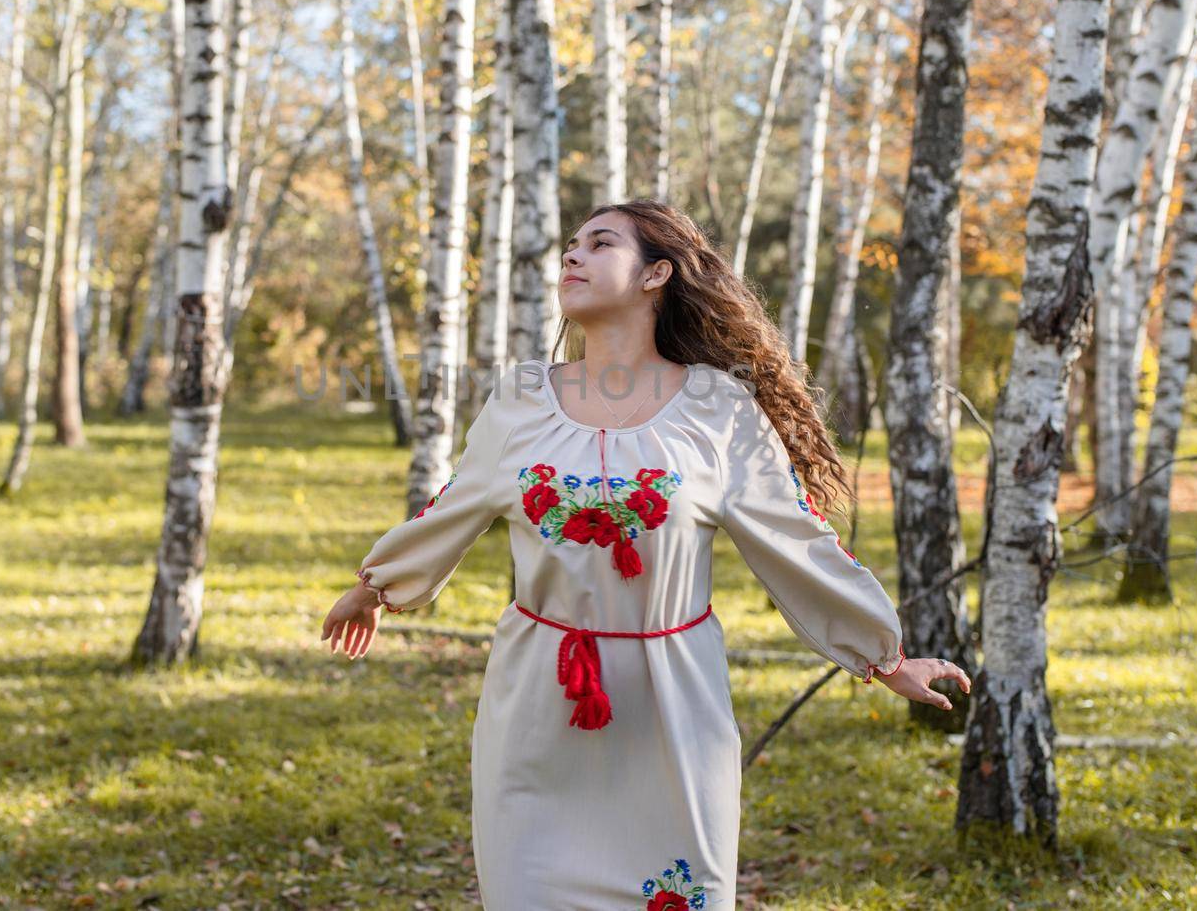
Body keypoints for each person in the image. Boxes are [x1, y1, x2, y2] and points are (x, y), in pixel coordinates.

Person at [320, 200, 971, 909]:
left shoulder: (719, 409)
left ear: (657, 273)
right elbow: (454, 504)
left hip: (673, 715)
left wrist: (884, 655)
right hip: (538, 709)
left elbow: (796, 538)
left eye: (599, 244)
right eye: (570, 245)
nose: (572, 256)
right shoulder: (522, 400)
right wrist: (376, 586)